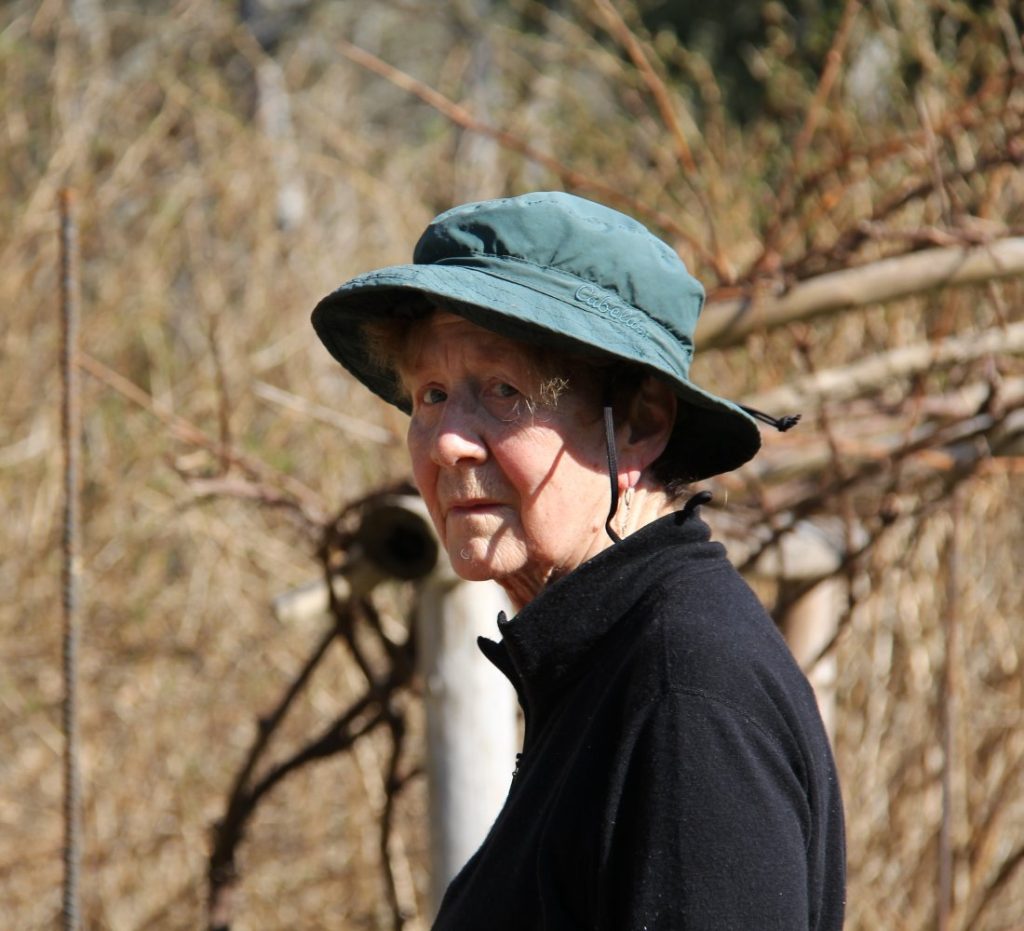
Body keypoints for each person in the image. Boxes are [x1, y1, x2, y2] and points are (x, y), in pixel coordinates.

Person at [311, 191, 846, 929]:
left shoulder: (683, 695)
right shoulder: (606, 662)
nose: (446, 441)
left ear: (639, 421)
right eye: (430, 395)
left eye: (504, 391)